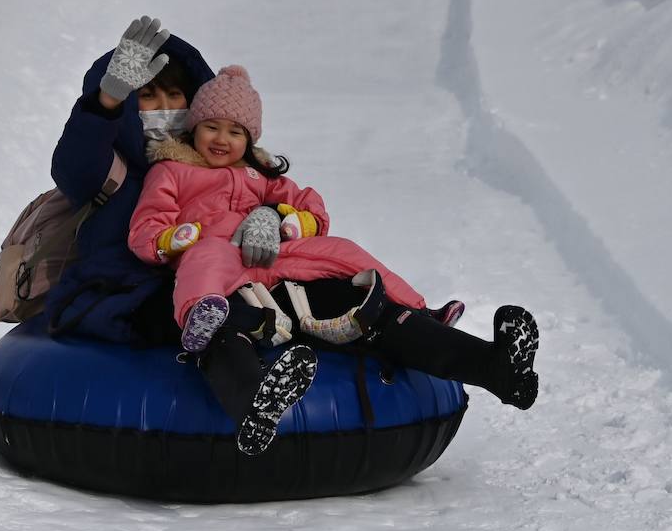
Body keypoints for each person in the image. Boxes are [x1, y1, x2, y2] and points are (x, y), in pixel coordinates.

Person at [127, 63, 540, 450]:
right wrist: (183, 236)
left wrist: (284, 221)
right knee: (207, 263)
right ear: (193, 129)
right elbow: (146, 232)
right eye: (211, 127)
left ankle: (490, 362)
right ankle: (230, 363)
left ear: (251, 138)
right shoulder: (173, 172)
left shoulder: (262, 174)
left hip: (276, 261)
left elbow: (313, 208)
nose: (221, 139)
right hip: (221, 263)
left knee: (345, 253)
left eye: (235, 132)